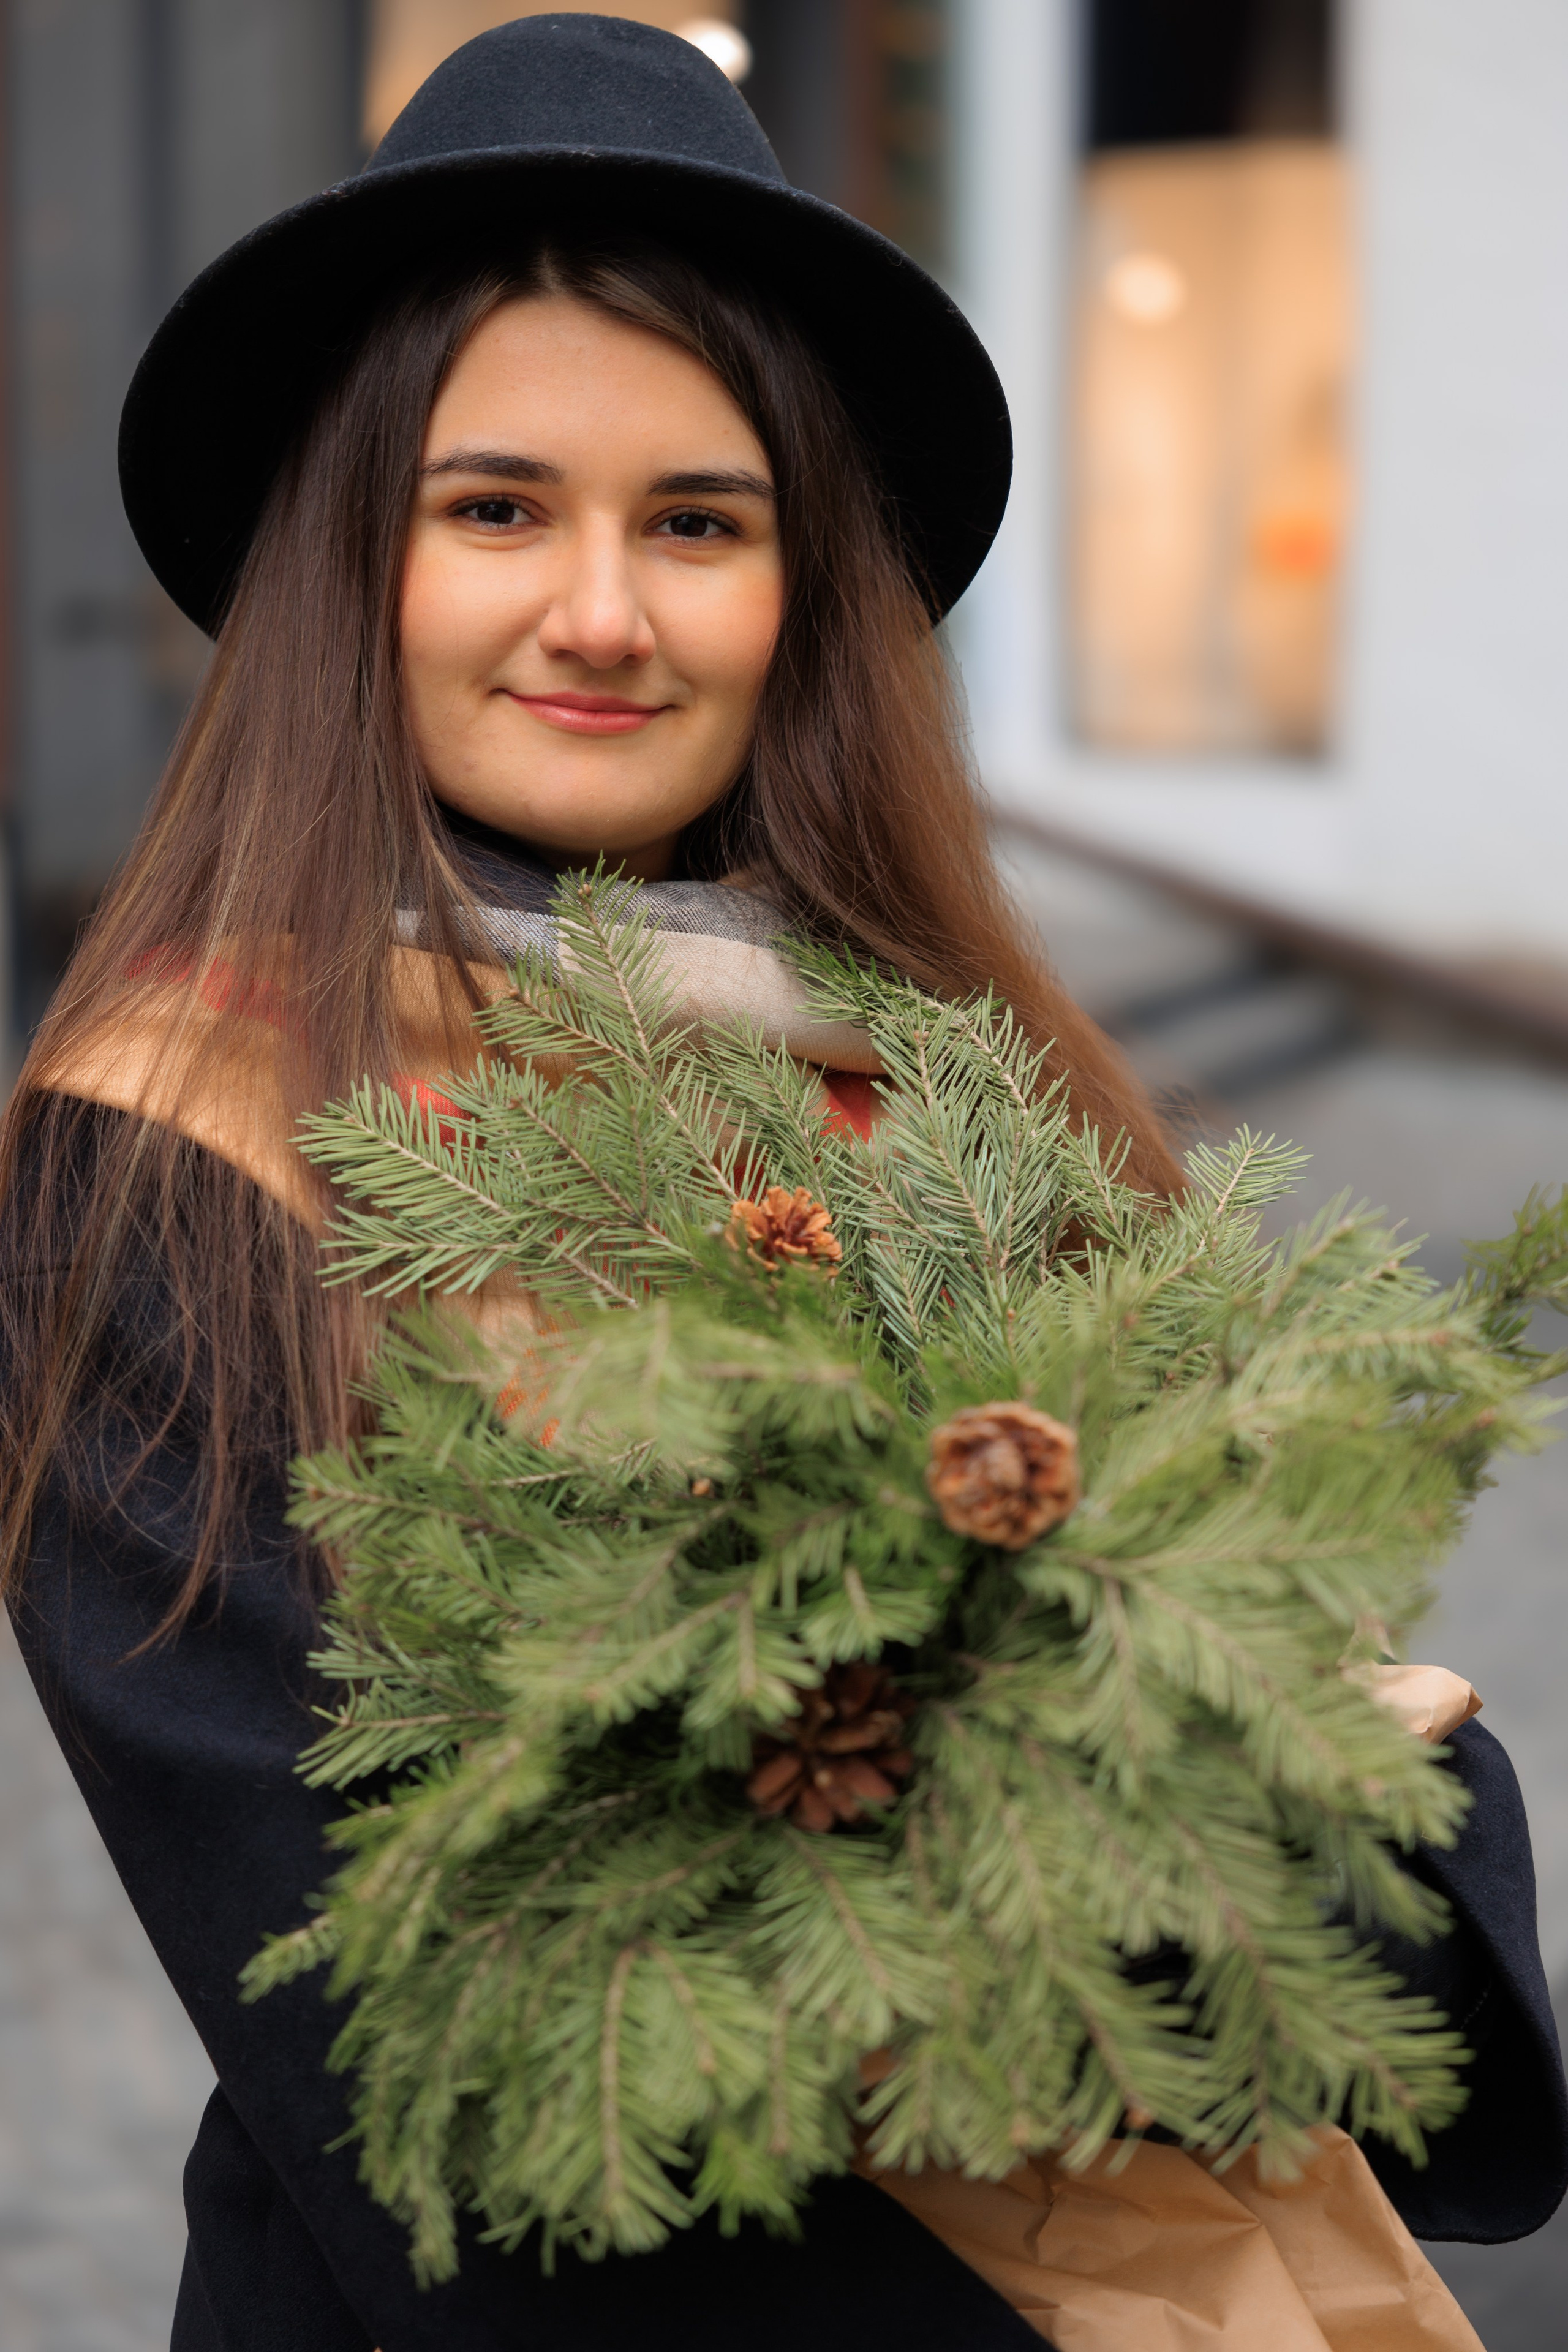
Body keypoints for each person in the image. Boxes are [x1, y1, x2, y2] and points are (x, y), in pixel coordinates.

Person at [0, 19, 1561, 2351]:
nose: (606, 615)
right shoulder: (180, 1139)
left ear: (800, 590)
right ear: (353, 564)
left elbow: (1372, 1809)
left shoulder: (951, 1082)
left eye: (700, 523)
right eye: (497, 506)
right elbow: (428, 2057)